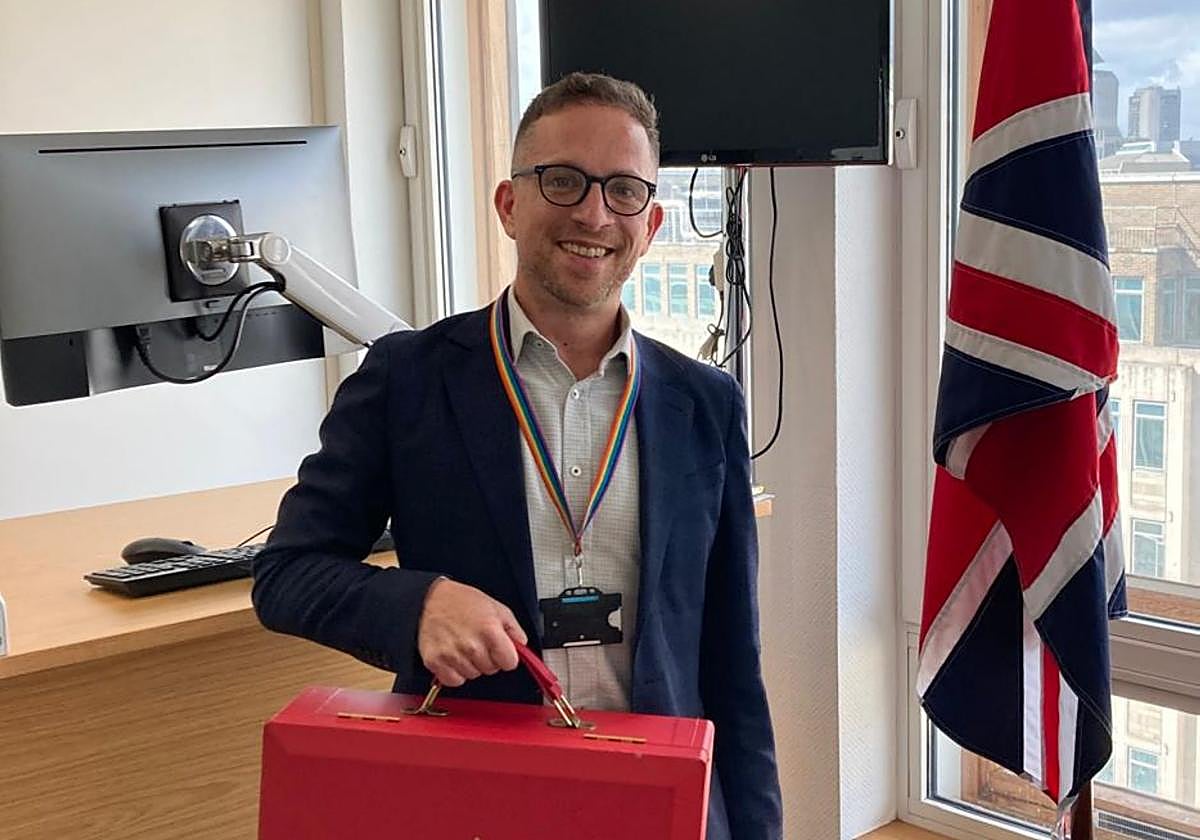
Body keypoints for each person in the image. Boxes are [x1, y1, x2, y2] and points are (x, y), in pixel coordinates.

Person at [252, 71, 782, 839]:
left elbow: (734, 665)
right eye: (563, 181)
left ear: (652, 221)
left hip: (662, 799)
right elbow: (286, 575)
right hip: (478, 802)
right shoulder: (408, 380)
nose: (594, 214)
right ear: (509, 203)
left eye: (624, 191)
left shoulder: (706, 404)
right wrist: (420, 604)